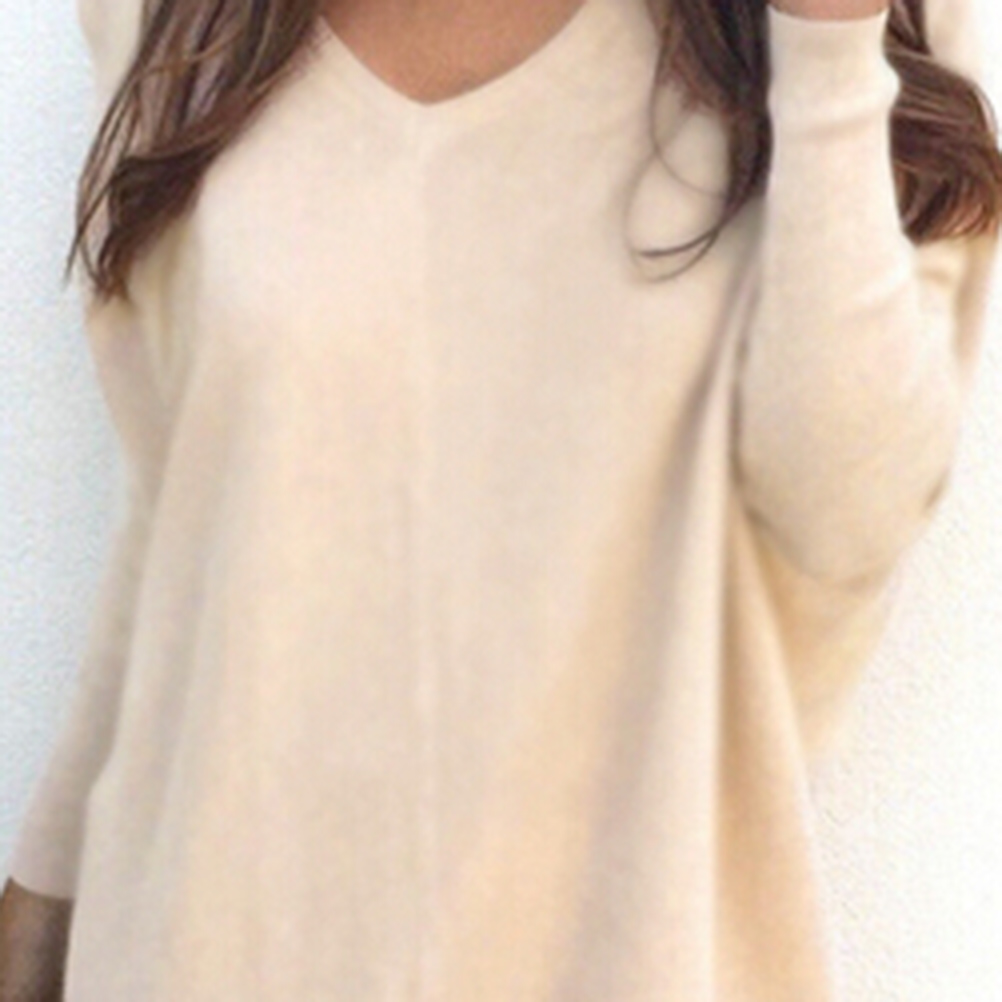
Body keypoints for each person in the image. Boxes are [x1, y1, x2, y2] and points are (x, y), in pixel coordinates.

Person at [2, 0, 999, 998]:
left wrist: (826, 50)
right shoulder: (184, 26)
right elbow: (182, 533)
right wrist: (38, 917)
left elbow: (843, 519)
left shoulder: (866, 43)